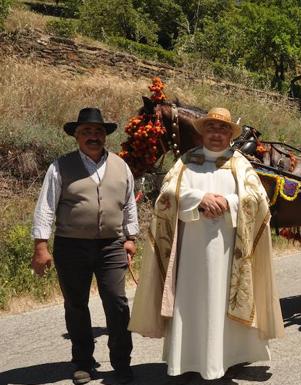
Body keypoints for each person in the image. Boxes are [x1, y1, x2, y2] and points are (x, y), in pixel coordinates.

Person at [128, 107, 284, 380]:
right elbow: (165, 195)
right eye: (211, 128)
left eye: (223, 129)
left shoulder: (240, 164)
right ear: (202, 132)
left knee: (223, 300)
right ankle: (187, 360)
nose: (216, 134)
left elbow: (259, 200)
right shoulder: (186, 162)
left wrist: (229, 202)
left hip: (229, 253)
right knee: (192, 302)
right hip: (191, 253)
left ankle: (226, 359)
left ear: (229, 135)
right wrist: (198, 199)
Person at [30, 107, 138, 385]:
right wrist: (41, 246)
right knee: (76, 305)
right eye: (87, 132)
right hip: (71, 245)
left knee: (117, 303)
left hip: (111, 245)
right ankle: (83, 362)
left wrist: (130, 237)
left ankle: (121, 362)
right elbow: (45, 208)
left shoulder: (120, 165)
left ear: (105, 136)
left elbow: (129, 205)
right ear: (76, 136)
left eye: (98, 132)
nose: (93, 136)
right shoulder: (60, 166)